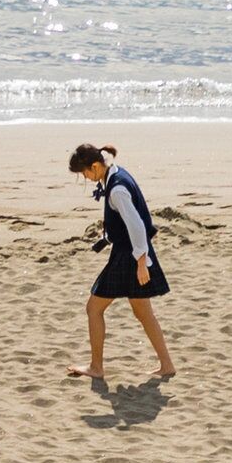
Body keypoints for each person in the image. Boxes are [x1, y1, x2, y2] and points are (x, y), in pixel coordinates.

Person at [67, 142, 175, 381]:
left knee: (93, 308)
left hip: (129, 256)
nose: (85, 178)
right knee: (143, 312)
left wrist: (140, 262)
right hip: (134, 253)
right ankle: (167, 365)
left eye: (85, 173)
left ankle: (96, 367)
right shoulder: (117, 173)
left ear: (95, 166)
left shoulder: (117, 190)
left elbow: (137, 226)